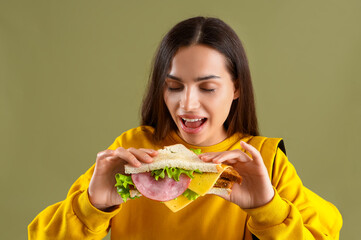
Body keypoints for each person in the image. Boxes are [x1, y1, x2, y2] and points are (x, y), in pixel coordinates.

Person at [28, 16, 342, 240]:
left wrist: (267, 208)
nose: (187, 104)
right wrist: (94, 205)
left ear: (237, 88)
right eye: (174, 87)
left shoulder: (264, 161)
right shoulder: (132, 151)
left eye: (207, 88)